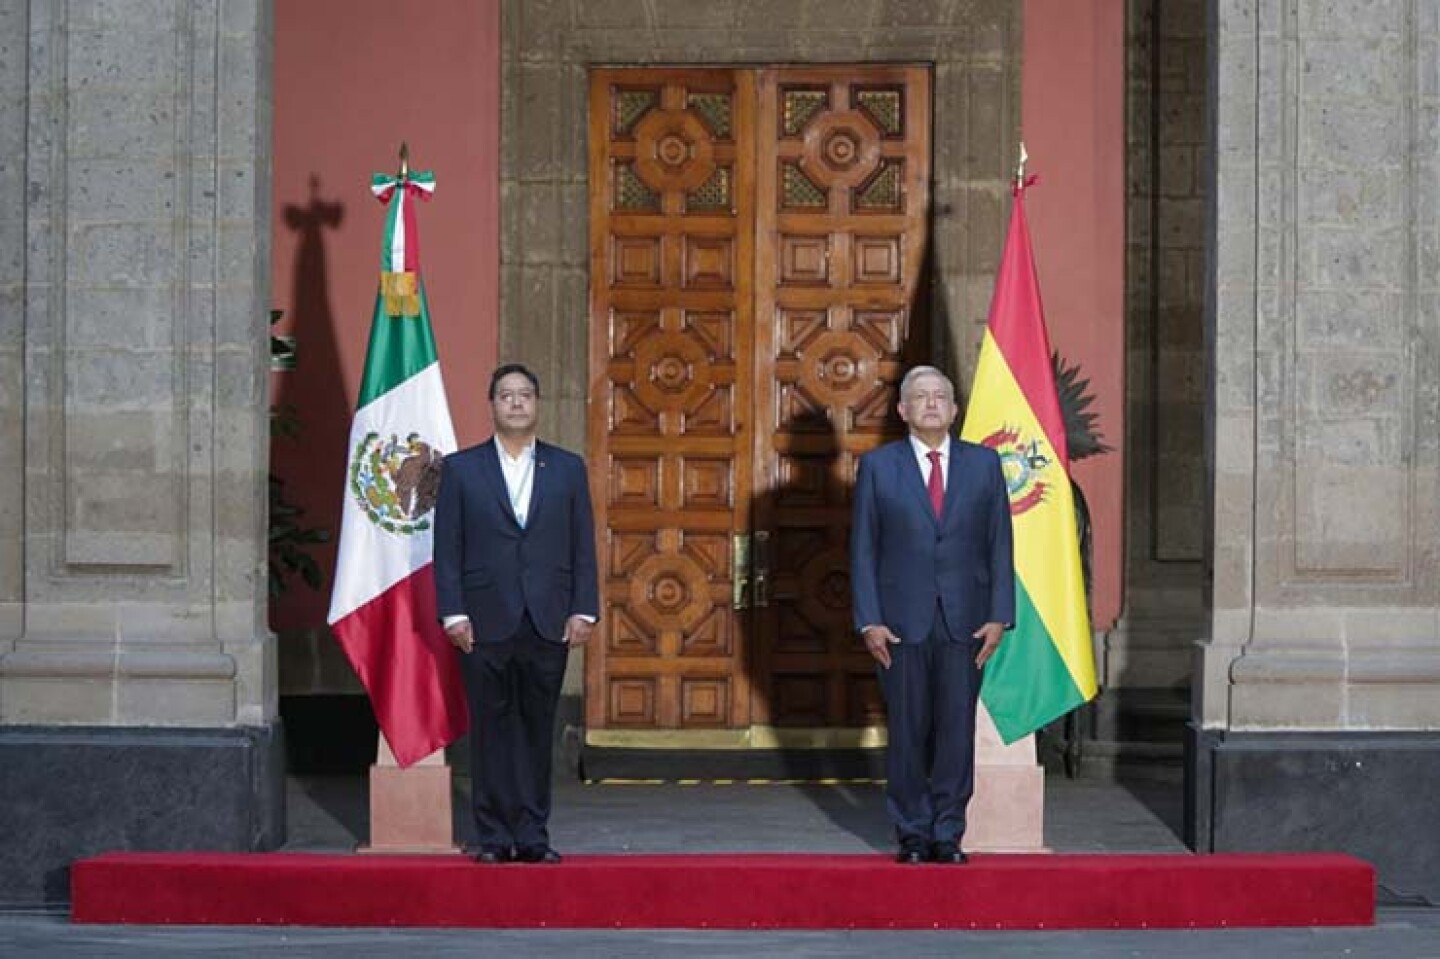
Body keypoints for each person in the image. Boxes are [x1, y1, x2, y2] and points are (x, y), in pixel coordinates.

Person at [433, 363, 598, 864]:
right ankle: (492, 836)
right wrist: (453, 614)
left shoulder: (567, 468)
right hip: (482, 622)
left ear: (537, 403)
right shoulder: (462, 469)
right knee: (491, 731)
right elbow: (448, 549)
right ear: (493, 405)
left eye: (525, 394)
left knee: (535, 730)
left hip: (548, 619)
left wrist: (584, 610)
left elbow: (581, 545)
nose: (517, 402)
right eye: (507, 395)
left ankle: (532, 836)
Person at [849, 365, 1014, 864]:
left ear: (955, 408)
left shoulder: (984, 465)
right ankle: (912, 832)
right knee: (907, 731)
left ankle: (948, 831)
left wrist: (1000, 615)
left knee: (955, 733)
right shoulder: (880, 467)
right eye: (920, 396)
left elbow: (999, 545)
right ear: (902, 411)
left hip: (966, 621)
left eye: (941, 395)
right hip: (899, 624)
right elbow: (863, 549)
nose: (932, 403)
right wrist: (868, 620)